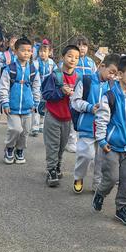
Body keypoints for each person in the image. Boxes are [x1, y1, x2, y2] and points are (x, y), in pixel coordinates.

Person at [91, 55, 126, 226]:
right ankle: (100, 193)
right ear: (120, 74)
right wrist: (101, 139)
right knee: (111, 178)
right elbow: (102, 119)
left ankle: (121, 208)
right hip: (111, 146)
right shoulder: (109, 96)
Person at [71, 53, 120, 194]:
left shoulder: (113, 86)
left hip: (104, 128)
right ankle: (78, 177)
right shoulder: (86, 80)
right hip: (86, 125)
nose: (112, 76)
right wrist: (90, 107)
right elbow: (75, 101)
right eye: (111, 72)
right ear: (102, 66)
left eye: (115, 74)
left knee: (100, 158)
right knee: (86, 155)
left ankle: (97, 183)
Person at [41, 45, 80, 187]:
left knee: (62, 145)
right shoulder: (55, 75)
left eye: (76, 57)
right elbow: (46, 95)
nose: (73, 60)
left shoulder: (79, 78)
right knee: (53, 145)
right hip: (53, 115)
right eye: (70, 56)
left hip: (68, 118)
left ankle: (57, 165)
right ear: (63, 57)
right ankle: (51, 169)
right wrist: (61, 92)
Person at [0, 37, 41, 165]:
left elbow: (36, 87)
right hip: (13, 107)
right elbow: (4, 87)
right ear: (15, 51)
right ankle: (10, 148)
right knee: (16, 129)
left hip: (28, 107)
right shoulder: (9, 69)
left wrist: (36, 103)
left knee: (25, 131)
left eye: (29, 50)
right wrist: (5, 102)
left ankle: (20, 150)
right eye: (23, 50)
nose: (26, 53)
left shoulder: (33, 70)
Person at [31, 40, 57, 136]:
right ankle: (35, 126)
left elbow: (56, 73)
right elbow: (32, 75)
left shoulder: (51, 63)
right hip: (37, 88)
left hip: (47, 88)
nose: (43, 53)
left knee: (45, 106)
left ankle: (42, 124)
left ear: (49, 52)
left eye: (45, 51)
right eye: (41, 51)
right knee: (36, 105)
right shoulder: (35, 63)